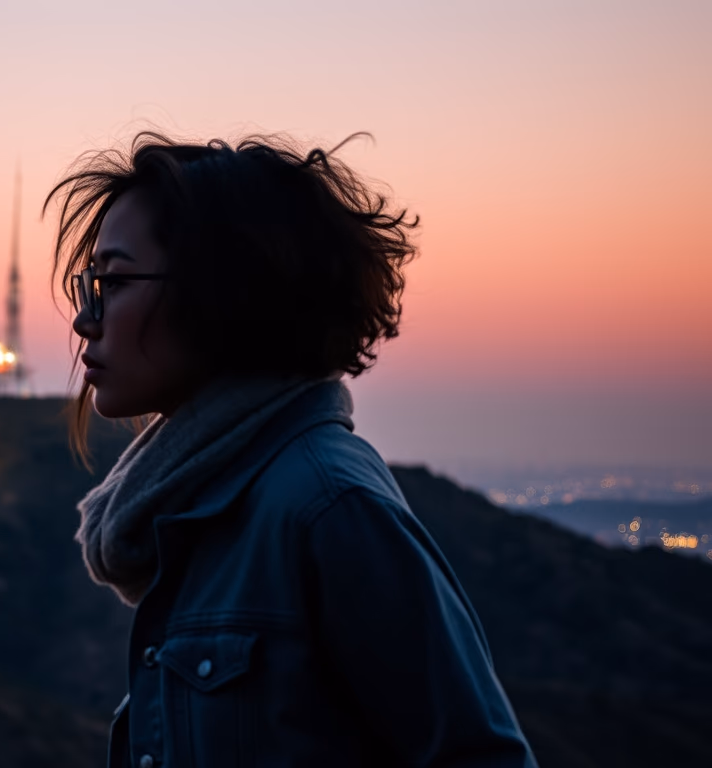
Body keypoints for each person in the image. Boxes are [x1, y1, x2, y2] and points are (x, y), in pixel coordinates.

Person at [44, 131, 537, 767]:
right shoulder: (201, 502)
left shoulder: (326, 506)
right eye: (89, 287)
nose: (86, 320)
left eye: (112, 282)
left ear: (220, 291)